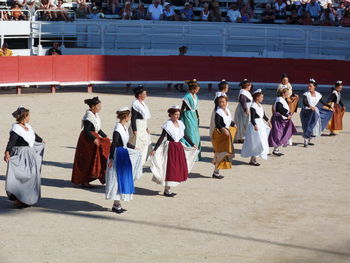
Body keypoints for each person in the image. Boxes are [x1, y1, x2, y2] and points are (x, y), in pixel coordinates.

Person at [150, 106, 198, 197]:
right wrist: (155, 149)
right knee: (170, 167)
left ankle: (168, 189)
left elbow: (184, 136)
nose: (177, 116)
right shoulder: (167, 125)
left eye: (178, 115)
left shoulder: (180, 123)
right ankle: (167, 190)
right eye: (175, 114)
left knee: (177, 167)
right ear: (171, 115)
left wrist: (192, 144)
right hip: (170, 148)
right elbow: (161, 137)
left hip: (178, 147)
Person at [4, 107, 45, 209]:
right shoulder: (15, 129)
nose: (29, 117)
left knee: (32, 176)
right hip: (20, 155)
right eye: (28, 115)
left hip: (30, 155)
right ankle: (18, 199)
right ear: (24, 117)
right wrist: (7, 152)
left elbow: (33, 136)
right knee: (21, 177)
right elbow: (11, 142)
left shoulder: (28, 126)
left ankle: (28, 199)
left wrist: (41, 140)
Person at [106, 107, 142, 214]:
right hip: (119, 155)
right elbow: (114, 144)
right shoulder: (118, 129)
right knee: (117, 179)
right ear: (125, 117)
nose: (130, 118)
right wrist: (111, 158)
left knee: (122, 177)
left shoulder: (124, 127)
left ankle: (117, 204)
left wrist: (134, 147)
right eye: (129, 116)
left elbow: (125, 143)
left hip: (123, 153)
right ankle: (116, 204)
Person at [71, 97, 111, 187]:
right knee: (87, 160)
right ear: (93, 106)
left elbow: (98, 129)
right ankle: (84, 181)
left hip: (92, 139)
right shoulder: (88, 116)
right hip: (87, 141)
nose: (100, 107)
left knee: (93, 160)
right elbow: (86, 131)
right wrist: (94, 139)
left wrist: (105, 137)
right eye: (98, 106)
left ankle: (87, 180)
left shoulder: (95, 115)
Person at [241, 89, 271, 166]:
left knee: (260, 141)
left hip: (261, 125)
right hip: (256, 126)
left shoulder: (260, 105)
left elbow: (263, 115)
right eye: (261, 97)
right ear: (257, 97)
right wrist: (255, 125)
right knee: (256, 141)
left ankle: (253, 159)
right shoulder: (253, 106)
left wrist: (268, 121)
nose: (262, 98)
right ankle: (253, 159)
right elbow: (252, 118)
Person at [300, 79, 333, 147]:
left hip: (313, 111)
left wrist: (329, 106)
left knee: (313, 125)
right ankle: (306, 139)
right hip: (305, 111)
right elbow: (304, 102)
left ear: (314, 87)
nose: (309, 87)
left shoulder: (318, 94)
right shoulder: (306, 94)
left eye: (310, 86)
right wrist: (310, 106)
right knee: (306, 126)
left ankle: (307, 140)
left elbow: (323, 102)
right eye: (308, 86)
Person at [211, 96, 236, 179]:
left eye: (223, 102)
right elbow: (217, 123)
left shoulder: (227, 110)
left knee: (223, 153)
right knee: (222, 152)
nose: (221, 103)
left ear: (226, 102)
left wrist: (233, 124)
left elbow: (229, 121)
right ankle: (216, 169)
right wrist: (222, 129)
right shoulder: (218, 112)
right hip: (220, 135)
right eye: (220, 102)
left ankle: (216, 171)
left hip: (226, 135)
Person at [268, 88, 297, 156]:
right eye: (287, 92)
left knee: (279, 134)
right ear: (283, 93)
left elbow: (281, 108)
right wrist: (287, 115)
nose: (288, 94)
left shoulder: (281, 99)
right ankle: (275, 150)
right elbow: (279, 109)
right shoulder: (280, 100)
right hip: (278, 119)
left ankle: (276, 150)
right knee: (278, 134)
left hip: (280, 119)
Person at [129, 85, 152, 165]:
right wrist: (134, 130)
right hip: (138, 126)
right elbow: (133, 118)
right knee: (136, 143)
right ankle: (135, 162)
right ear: (139, 95)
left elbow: (144, 118)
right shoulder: (135, 103)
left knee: (144, 144)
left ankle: (141, 162)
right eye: (144, 94)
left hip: (143, 126)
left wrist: (147, 127)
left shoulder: (142, 103)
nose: (146, 95)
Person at [180, 79, 201, 160]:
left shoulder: (195, 96)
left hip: (193, 115)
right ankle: (190, 152)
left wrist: (197, 116)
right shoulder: (187, 97)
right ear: (193, 89)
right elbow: (183, 108)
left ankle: (195, 154)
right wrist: (179, 117)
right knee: (190, 132)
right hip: (187, 116)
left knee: (195, 133)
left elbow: (196, 109)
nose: (198, 91)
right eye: (197, 89)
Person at [234, 79, 253, 143]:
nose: (250, 87)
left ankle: (242, 137)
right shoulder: (243, 93)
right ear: (247, 86)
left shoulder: (245, 92)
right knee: (242, 123)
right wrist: (245, 109)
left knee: (243, 123)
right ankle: (241, 138)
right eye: (250, 85)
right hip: (243, 111)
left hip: (244, 109)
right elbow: (243, 101)